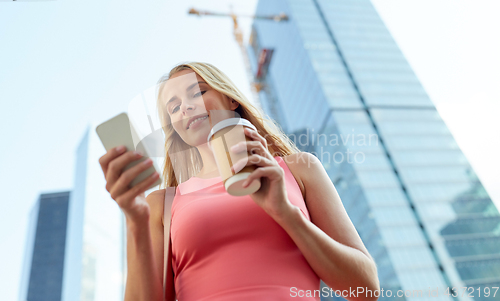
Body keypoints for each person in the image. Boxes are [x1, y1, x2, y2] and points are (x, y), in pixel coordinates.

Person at [98, 62, 380, 301]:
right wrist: (135, 220)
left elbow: (366, 289)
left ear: (231, 99)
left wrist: (286, 213)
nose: (186, 107)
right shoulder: (160, 204)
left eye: (197, 91)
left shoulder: (299, 169)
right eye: (174, 107)